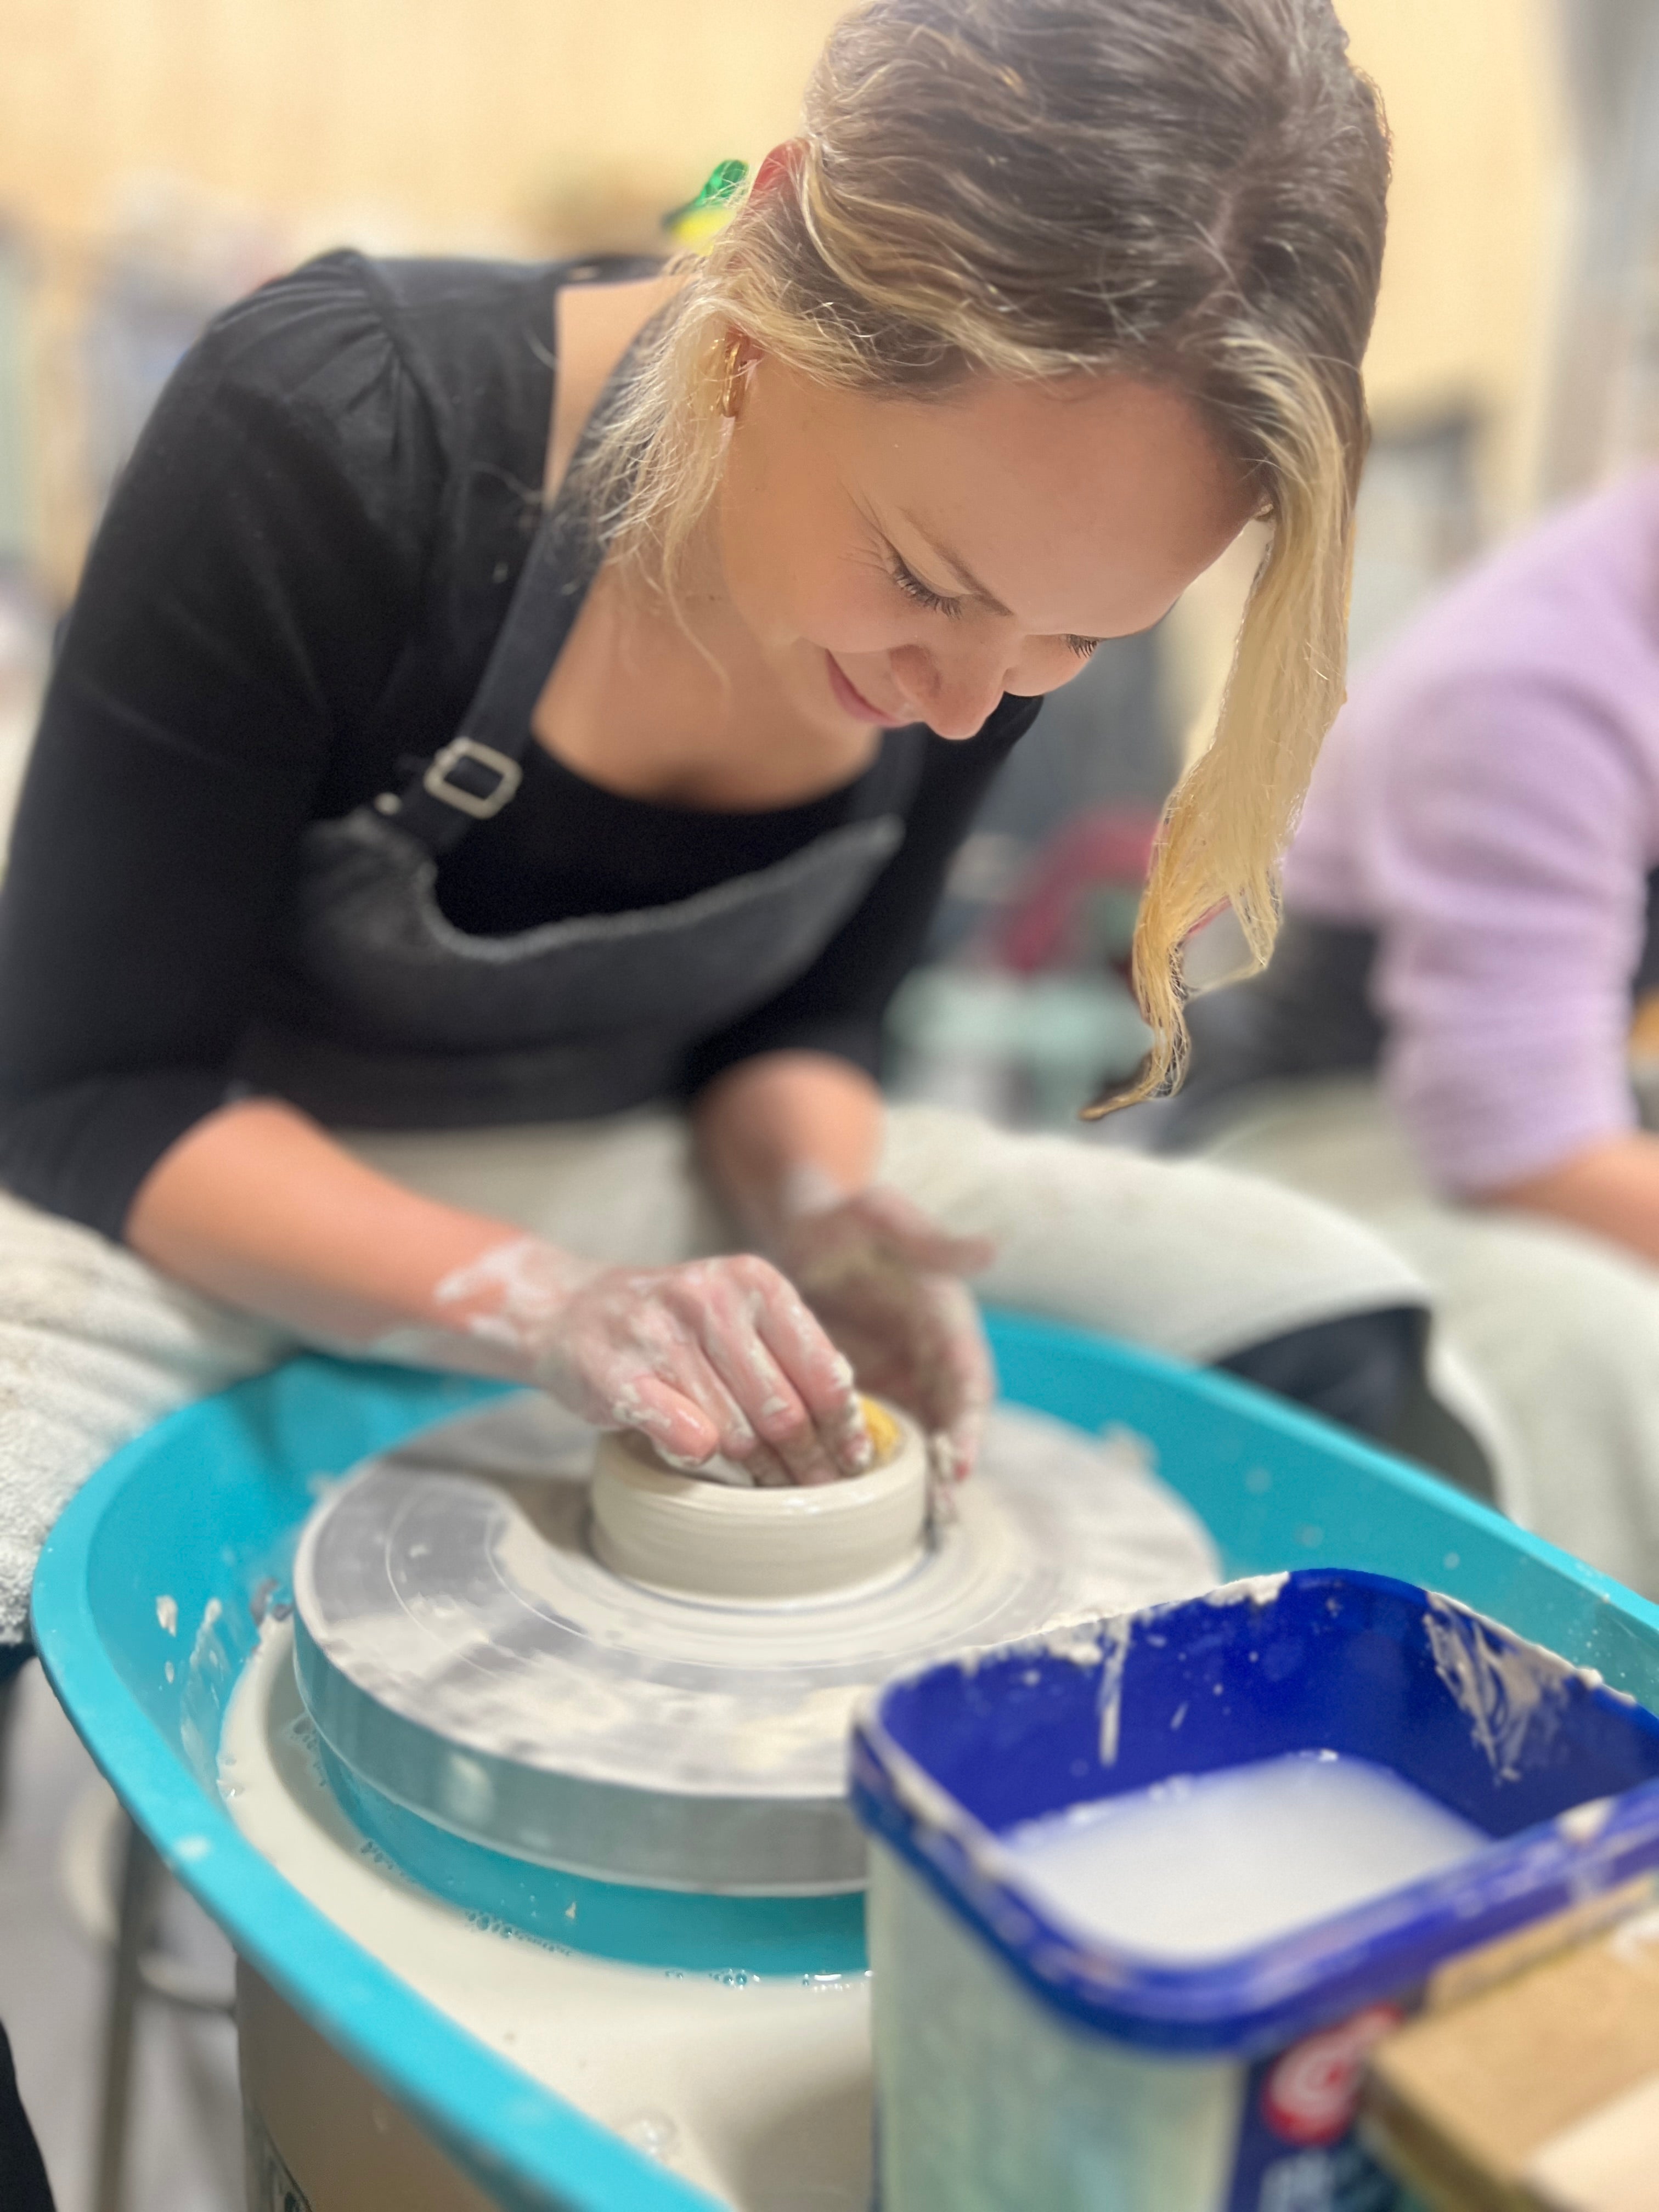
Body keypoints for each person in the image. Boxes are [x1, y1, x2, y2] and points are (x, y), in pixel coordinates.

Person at [0, 0, 1417, 1685]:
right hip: (215, 1194)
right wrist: (543, 1303)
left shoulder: (1000, 598)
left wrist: (818, 1208)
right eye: (922, 580)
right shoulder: (335, 426)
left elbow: (805, 1025)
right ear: (765, 296)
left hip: (641, 1173)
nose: (972, 702)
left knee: (1321, 1308)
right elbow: (85, 1095)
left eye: (1077, 638)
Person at [1173, 467, 1659, 1589]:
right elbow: (1523, 1145)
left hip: (1530, 1088)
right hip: (1314, 1121)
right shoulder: (1531, 684)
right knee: (1602, 1343)